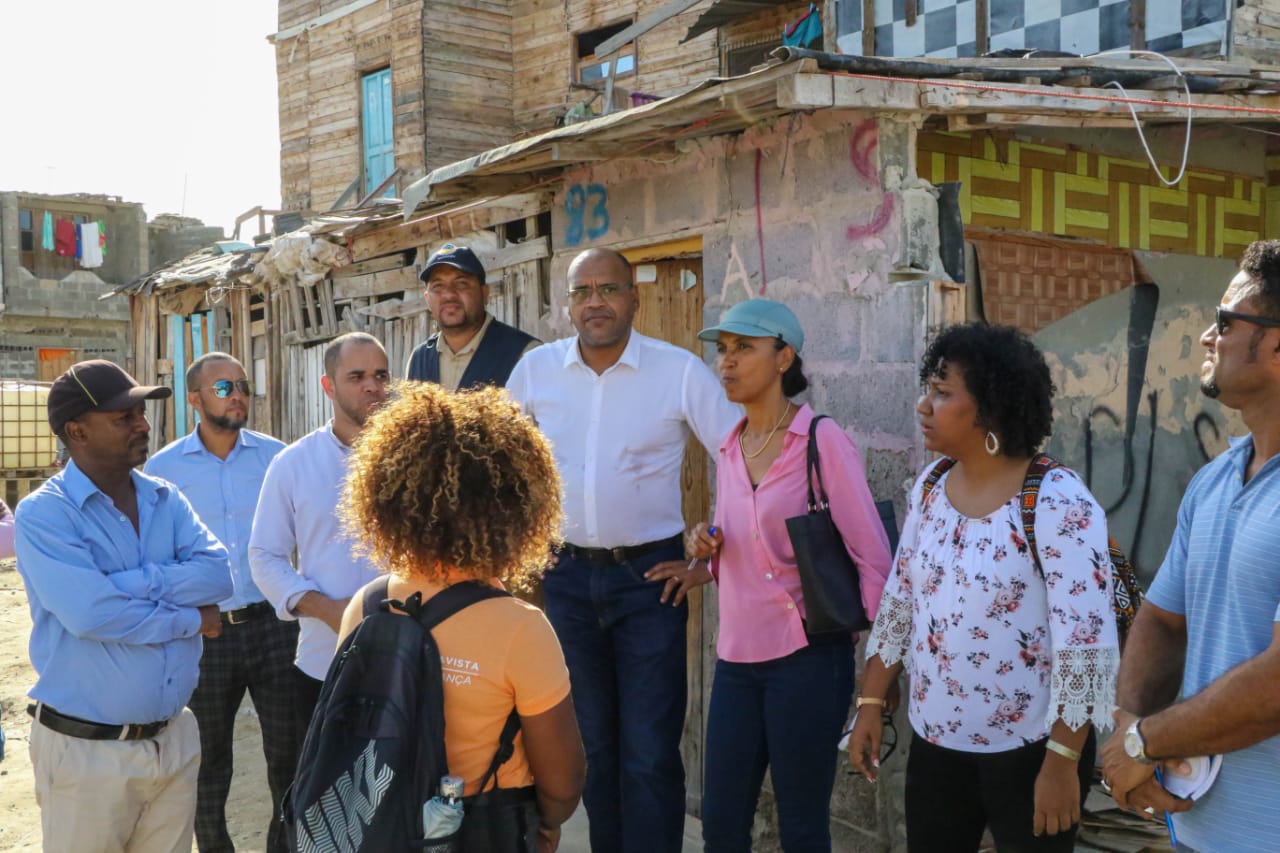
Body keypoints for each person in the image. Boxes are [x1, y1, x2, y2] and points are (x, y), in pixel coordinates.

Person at [847, 324, 1119, 852]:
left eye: (944, 393)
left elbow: (1086, 644)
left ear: (990, 410)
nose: (925, 405)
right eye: (929, 388)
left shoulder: (1058, 501)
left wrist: (1063, 763)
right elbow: (901, 601)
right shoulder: (930, 487)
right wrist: (870, 703)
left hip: (1034, 751)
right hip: (936, 741)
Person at [505, 247, 741, 852]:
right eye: (582, 292)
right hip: (564, 579)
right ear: (567, 303)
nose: (595, 303)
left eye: (608, 290)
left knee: (649, 749)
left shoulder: (678, 371)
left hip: (649, 580)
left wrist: (711, 554)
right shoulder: (536, 372)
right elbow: (498, 461)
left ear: (634, 297)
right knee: (594, 746)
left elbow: (738, 457)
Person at [652, 298, 893, 851]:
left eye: (745, 348)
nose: (728, 362)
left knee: (802, 826)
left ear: (784, 357)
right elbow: (740, 544)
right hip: (737, 662)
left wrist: (880, 679)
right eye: (723, 350)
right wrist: (704, 551)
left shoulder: (819, 441)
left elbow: (874, 560)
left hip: (807, 660)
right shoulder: (730, 445)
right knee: (722, 825)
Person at [336, 381, 585, 853]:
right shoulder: (520, 629)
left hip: (377, 831)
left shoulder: (366, 606)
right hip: (483, 831)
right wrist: (547, 825)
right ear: (517, 510)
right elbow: (563, 781)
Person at [1099, 240, 1280, 852]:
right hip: (1198, 831)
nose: (1209, 335)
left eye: (1227, 320)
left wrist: (1145, 743)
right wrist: (1131, 730)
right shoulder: (1215, 480)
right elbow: (1162, 622)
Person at [13, 359, 231, 853]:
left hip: (171, 742)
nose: (143, 424)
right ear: (77, 431)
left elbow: (219, 574)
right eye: (124, 417)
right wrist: (190, 618)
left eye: (141, 412)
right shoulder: (45, 514)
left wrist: (130, 582)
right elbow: (92, 615)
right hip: (88, 755)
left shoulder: (164, 499)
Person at [145, 352, 294, 853]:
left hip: (276, 626)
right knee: (207, 763)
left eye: (244, 386)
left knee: (289, 756)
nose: (239, 396)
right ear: (194, 399)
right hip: (205, 632)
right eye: (225, 387)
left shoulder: (278, 457)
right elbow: (155, 554)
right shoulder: (163, 470)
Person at [249, 332, 390, 743]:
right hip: (322, 661)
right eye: (357, 376)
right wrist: (328, 610)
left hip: (408, 658)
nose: (371, 386)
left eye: (381, 375)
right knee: (325, 794)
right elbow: (264, 555)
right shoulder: (293, 464)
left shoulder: (416, 459)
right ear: (328, 386)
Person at [405, 243, 539, 389]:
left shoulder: (525, 355)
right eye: (438, 286)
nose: (449, 294)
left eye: (462, 283)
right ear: (427, 299)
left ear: (485, 293)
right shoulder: (419, 359)